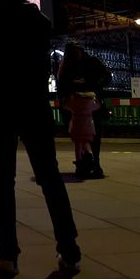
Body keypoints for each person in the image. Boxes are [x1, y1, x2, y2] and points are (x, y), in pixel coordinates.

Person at [0, 0, 81, 278]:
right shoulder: (39, 21)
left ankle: (8, 254)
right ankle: (69, 250)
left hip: (0, 107)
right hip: (34, 107)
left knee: (1, 182)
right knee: (50, 177)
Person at [57, 42, 111, 179]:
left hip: (76, 105)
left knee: (80, 137)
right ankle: (92, 163)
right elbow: (107, 77)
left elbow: (62, 84)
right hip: (89, 103)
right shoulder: (91, 62)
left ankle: (84, 163)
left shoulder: (67, 66)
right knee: (93, 135)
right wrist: (94, 86)